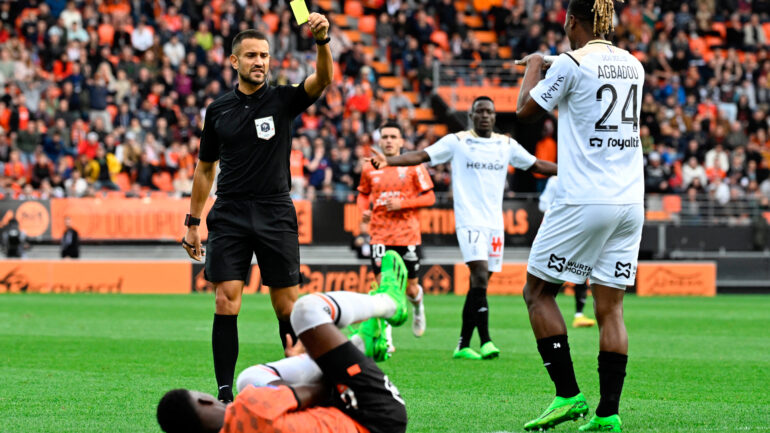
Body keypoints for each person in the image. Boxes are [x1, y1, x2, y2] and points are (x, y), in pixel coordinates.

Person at [181, 16, 333, 403]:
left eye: (264, 55)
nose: (260, 61)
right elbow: (204, 169)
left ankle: (303, 383)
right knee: (225, 298)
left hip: (274, 210)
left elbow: (322, 80)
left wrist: (322, 41)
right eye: (251, 55)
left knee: (287, 305)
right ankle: (225, 394)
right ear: (234, 62)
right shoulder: (217, 111)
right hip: (229, 211)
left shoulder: (283, 99)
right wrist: (193, 222)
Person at [515, 0, 645, 430]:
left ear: (571, 21)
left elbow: (525, 111)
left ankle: (568, 395)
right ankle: (609, 414)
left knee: (537, 293)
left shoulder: (569, 63)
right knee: (612, 309)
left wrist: (535, 63)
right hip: (630, 201)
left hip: (586, 197)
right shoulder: (633, 64)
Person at [370, 96, 557, 360]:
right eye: (479, 111)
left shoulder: (505, 144)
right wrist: (392, 160)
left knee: (479, 286)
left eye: (489, 112)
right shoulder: (457, 142)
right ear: (472, 115)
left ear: (494, 116)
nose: (485, 116)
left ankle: (462, 344)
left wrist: (568, 171)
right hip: (469, 220)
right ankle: (487, 341)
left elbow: (536, 164)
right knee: (479, 275)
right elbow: (422, 155)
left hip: (494, 224)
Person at [157, 251, 409, 433]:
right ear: (204, 401)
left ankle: (363, 344)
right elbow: (320, 390)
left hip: (368, 420)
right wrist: (317, 352)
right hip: (375, 413)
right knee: (305, 311)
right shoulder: (251, 407)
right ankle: (388, 304)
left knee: (249, 378)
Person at [358, 121, 435, 340]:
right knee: (385, 288)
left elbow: (430, 197)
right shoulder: (369, 166)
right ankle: (387, 338)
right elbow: (363, 194)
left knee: (411, 289)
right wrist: (363, 211)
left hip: (407, 234)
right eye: (385, 137)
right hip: (380, 234)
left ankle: (418, 308)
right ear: (379, 140)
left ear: (401, 141)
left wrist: (403, 204)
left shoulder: (412, 166)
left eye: (393, 137)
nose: (389, 141)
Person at [538, 176, 596, 328]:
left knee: (581, 271)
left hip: (577, 231)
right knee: (552, 273)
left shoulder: (583, 178)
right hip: (558, 232)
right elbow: (543, 204)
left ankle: (579, 314)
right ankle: (546, 311)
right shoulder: (555, 180)